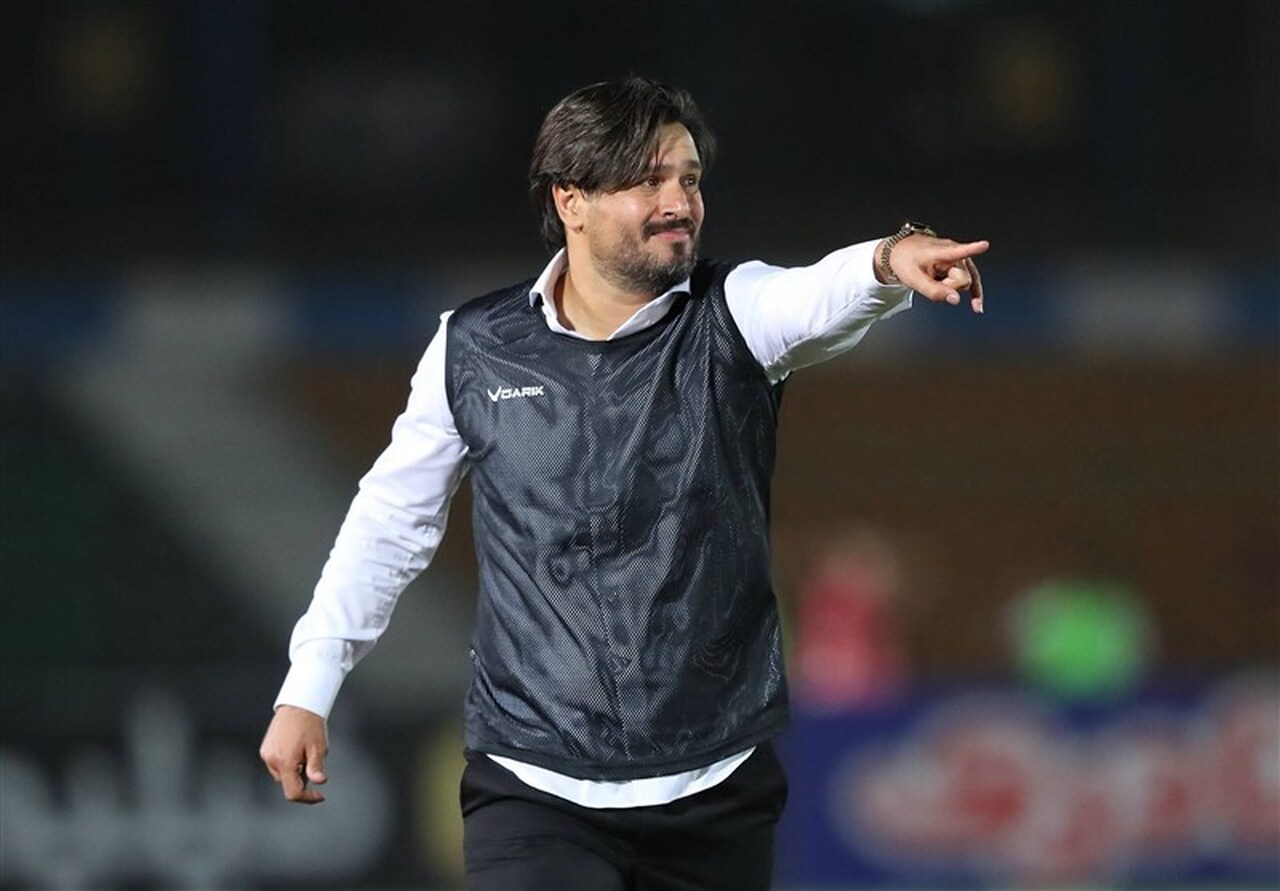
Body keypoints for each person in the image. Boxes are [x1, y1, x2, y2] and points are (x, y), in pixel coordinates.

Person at [259, 75, 988, 890]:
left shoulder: (734, 313)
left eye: (690, 179)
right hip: (533, 783)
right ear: (570, 200)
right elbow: (391, 522)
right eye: (649, 180)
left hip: (716, 785)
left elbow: (817, 292)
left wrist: (889, 259)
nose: (680, 201)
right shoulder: (472, 348)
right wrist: (308, 687)